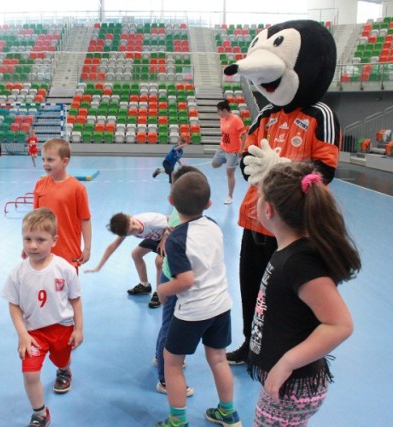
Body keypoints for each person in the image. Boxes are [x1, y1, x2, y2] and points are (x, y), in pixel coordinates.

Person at [246, 161, 360, 426]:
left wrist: (286, 362)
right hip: (287, 383)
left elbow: (340, 324)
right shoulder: (288, 252)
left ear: (268, 210)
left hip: (293, 385)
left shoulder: (300, 263)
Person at [227, 117, 340, 367]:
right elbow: (247, 163)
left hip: (293, 225)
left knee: (287, 296)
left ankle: (292, 353)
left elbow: (326, 171)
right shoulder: (264, 116)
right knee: (252, 291)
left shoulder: (320, 115)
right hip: (256, 222)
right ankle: (251, 345)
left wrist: (284, 169)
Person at [154, 171, 241, 427]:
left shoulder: (177, 239)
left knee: (172, 363)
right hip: (221, 306)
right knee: (218, 359)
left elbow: (186, 281)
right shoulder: (213, 226)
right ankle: (227, 412)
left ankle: (177, 421)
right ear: (209, 204)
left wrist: (163, 290)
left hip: (192, 311)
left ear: (171, 201)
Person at [2, 207, 83, 427]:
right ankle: (40, 413)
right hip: (34, 333)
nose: (33, 245)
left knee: (61, 359)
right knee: (30, 374)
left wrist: (78, 328)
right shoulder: (17, 273)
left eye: (40, 239)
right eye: (27, 239)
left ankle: (64, 369)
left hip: (61, 328)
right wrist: (22, 335)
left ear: (54, 240)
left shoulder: (64, 269)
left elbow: (75, 300)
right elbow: (14, 305)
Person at [153, 166, 202, 398]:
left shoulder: (177, 214)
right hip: (174, 279)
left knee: (167, 324)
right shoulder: (184, 222)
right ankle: (164, 378)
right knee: (170, 327)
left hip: (171, 276)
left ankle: (159, 358)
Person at [33, 138, 91, 270]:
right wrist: (31, 244)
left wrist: (87, 248)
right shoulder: (39, 185)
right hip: (43, 251)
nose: (45, 164)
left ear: (65, 161)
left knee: (67, 289)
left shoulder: (77, 188)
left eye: (50, 160)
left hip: (68, 252)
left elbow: (85, 220)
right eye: (43, 159)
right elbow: (34, 220)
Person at [85, 211, 168, 297]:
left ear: (130, 216)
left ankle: (160, 292)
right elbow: (112, 247)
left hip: (169, 235)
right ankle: (145, 286)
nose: (136, 227)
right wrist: (98, 267)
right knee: (136, 254)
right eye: (132, 231)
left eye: (133, 223)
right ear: (126, 234)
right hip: (155, 237)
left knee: (159, 261)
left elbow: (171, 221)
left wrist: (163, 240)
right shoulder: (125, 228)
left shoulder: (150, 220)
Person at [212, 100, 246, 205]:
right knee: (214, 165)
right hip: (222, 148)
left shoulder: (236, 120)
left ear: (225, 110)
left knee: (229, 173)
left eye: (219, 111)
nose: (218, 113)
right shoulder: (222, 119)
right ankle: (228, 163)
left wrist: (241, 149)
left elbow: (244, 135)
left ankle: (230, 196)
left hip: (233, 151)